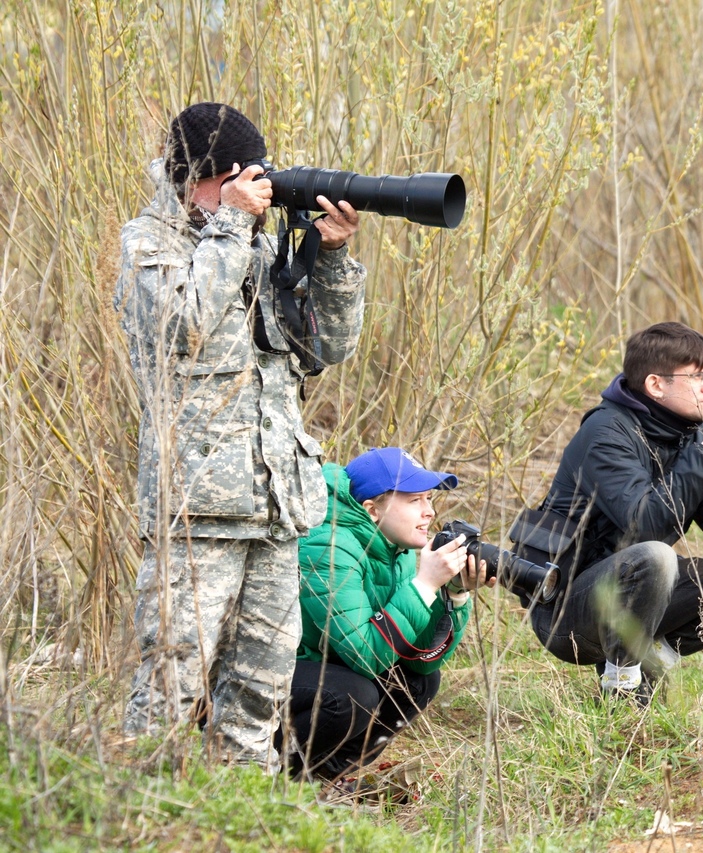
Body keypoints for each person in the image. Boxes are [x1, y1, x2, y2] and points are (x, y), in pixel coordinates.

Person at [115, 102, 365, 767]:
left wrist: (332, 260)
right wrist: (230, 224)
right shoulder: (149, 241)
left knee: (260, 691)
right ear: (191, 176)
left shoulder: (260, 248)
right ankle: (146, 816)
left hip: (275, 507)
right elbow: (183, 326)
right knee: (170, 685)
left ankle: (241, 811)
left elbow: (330, 347)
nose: (244, 189)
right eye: (227, 177)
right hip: (196, 515)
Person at [510, 321, 703, 703]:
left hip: (642, 587)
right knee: (657, 556)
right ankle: (623, 688)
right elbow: (643, 526)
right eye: (697, 377)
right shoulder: (606, 433)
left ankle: (653, 661)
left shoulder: (690, 436)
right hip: (567, 610)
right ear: (656, 385)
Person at [284, 447, 494, 780]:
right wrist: (424, 585)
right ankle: (274, 774)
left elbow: (419, 660)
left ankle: (322, 780)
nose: (429, 512)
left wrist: (453, 595)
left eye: (428, 499)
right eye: (415, 501)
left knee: (419, 682)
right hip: (275, 672)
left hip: (329, 665)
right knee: (354, 695)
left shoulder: (393, 548)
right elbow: (365, 656)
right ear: (372, 510)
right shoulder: (329, 545)